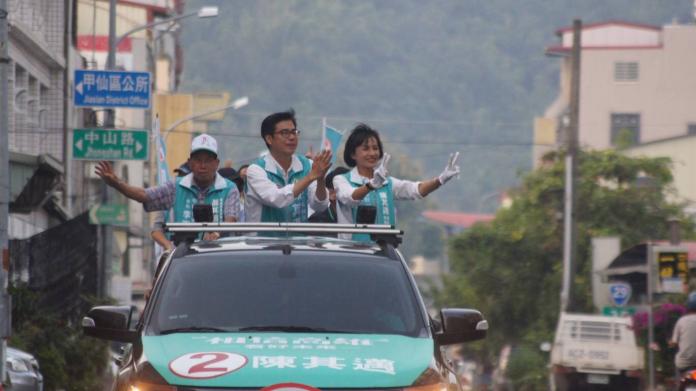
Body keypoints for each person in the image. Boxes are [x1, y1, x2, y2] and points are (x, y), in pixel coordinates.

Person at [96, 134, 240, 241]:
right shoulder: (175, 187)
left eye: (208, 161)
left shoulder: (229, 189)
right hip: (183, 259)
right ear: (190, 163)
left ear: (216, 163)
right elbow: (144, 195)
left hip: (219, 255)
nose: (203, 165)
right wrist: (117, 183)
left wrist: (216, 234)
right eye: (198, 160)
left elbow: (231, 219)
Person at [333, 124, 460, 240]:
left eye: (375, 148)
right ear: (353, 154)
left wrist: (440, 179)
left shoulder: (387, 183)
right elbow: (349, 198)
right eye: (366, 149)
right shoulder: (342, 180)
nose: (372, 153)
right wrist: (370, 185)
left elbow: (415, 190)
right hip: (353, 252)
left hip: (385, 253)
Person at [245, 109, 332, 222]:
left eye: (294, 132)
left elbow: (320, 206)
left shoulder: (308, 165)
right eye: (285, 133)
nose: (292, 137)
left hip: (298, 239)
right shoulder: (256, 170)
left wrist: (320, 180)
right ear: (269, 139)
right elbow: (276, 199)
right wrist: (310, 177)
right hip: (264, 239)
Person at [670, 292, 696, 376]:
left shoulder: (681, 321)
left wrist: (670, 343)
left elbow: (674, 343)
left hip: (683, 364)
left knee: (681, 381)